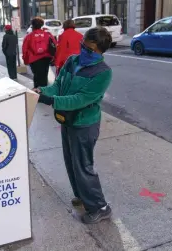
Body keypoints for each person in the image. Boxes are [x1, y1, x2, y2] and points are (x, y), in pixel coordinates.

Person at [33, 27, 113, 224]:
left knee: (83, 165)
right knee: (71, 162)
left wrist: (51, 101)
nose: (83, 50)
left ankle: (100, 206)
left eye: (89, 49)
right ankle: (82, 196)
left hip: (85, 124)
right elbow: (58, 86)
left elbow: (80, 99)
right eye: (82, 45)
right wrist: (41, 90)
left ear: (99, 51)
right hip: (67, 120)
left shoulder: (103, 73)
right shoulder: (72, 61)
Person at [22, 17, 57, 88]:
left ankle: (38, 92)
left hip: (34, 59)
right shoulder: (48, 34)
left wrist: (25, 60)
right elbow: (54, 45)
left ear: (32, 25)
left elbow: (24, 49)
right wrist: (54, 57)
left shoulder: (29, 36)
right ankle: (44, 91)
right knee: (44, 75)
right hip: (46, 58)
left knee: (37, 76)